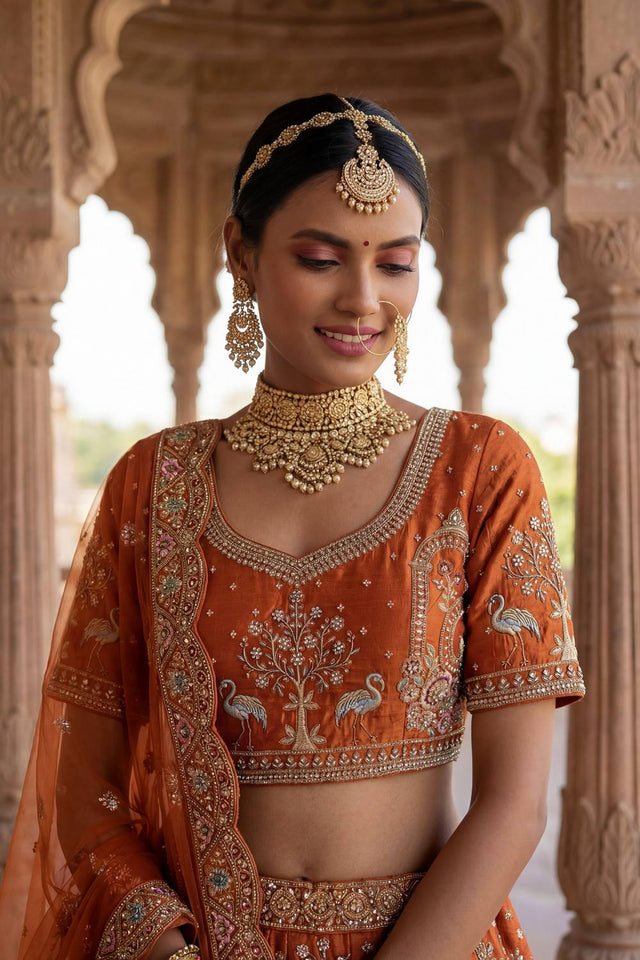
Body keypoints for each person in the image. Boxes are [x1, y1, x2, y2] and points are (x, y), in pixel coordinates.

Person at [0, 93, 586, 960]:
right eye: (320, 258)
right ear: (240, 252)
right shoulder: (149, 488)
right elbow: (84, 792)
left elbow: (513, 805)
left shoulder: (479, 471)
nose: (363, 299)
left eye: (396, 264)